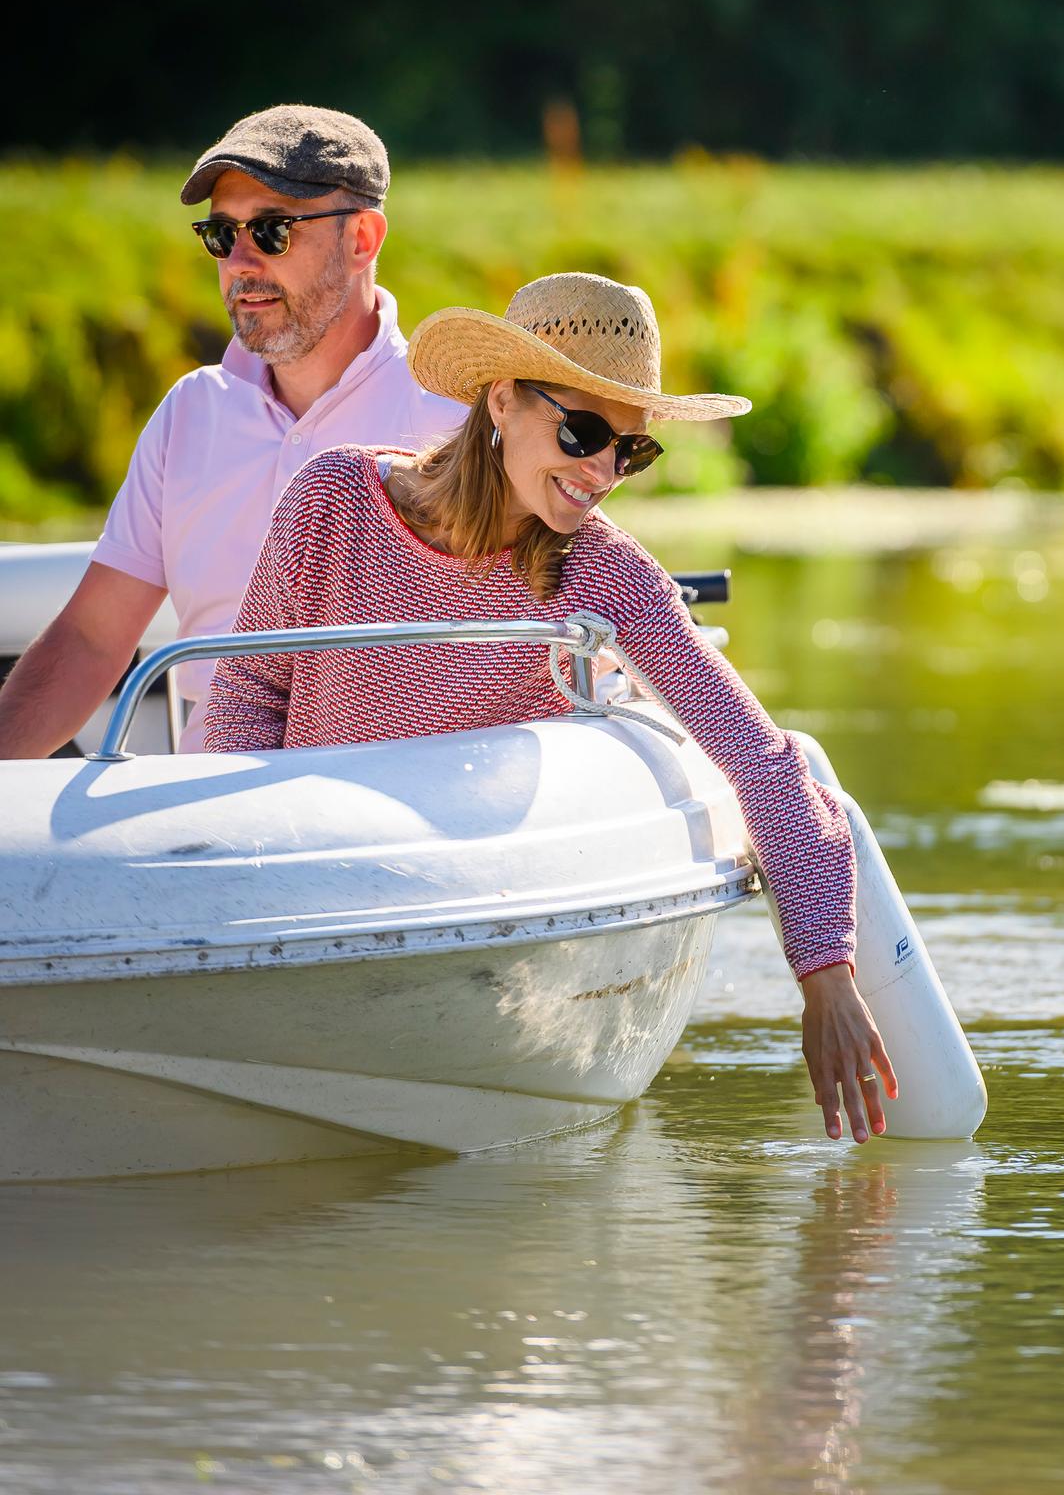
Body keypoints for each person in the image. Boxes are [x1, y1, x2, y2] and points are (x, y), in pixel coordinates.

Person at [203, 270, 899, 1145]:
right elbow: (248, 691)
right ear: (502, 402)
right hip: (302, 893)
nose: (605, 470)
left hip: (451, 926)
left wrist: (824, 973)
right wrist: (231, 876)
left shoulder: (602, 570)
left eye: (633, 451)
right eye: (585, 431)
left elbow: (757, 757)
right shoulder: (333, 499)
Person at [0, 105, 463, 760]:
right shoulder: (189, 416)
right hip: (204, 828)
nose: (240, 262)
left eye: (271, 231)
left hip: (383, 830)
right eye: (220, 235)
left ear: (362, 238)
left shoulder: (461, 424)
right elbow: (92, 641)